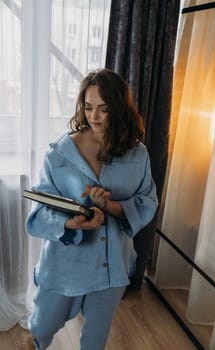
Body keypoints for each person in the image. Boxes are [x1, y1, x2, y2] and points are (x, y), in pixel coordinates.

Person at [20, 68, 158, 350]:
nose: (94, 116)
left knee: (95, 340)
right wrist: (71, 224)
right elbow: (40, 210)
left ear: (117, 109)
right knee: (41, 329)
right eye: (88, 107)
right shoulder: (58, 154)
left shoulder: (137, 154)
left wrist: (110, 205)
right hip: (63, 264)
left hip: (111, 265)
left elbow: (147, 201)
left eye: (104, 109)